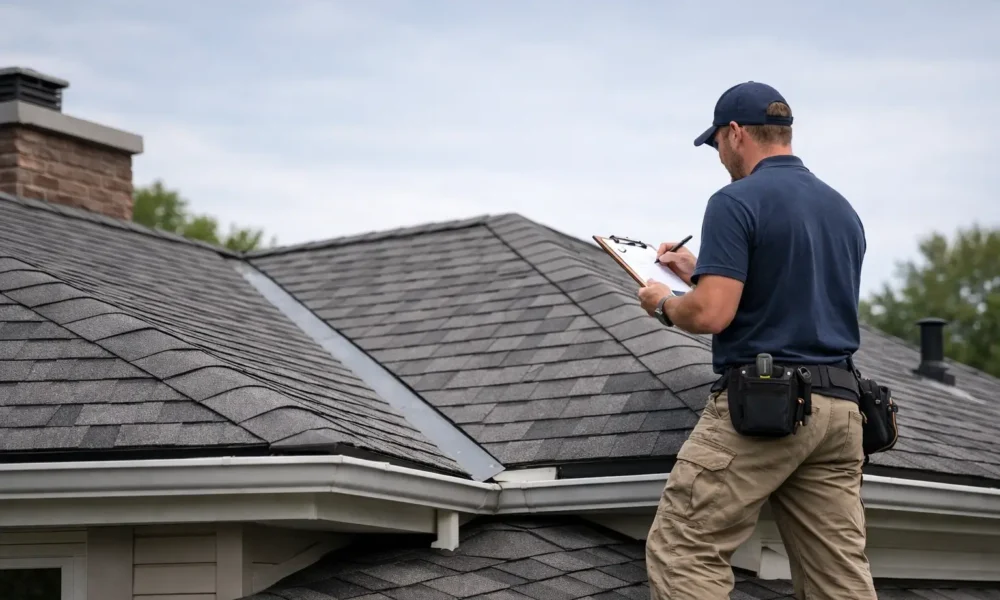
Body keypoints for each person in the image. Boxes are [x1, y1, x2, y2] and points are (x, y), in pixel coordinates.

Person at [637, 82, 876, 600]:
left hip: (768, 408)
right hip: (840, 413)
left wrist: (662, 300)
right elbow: (787, 295)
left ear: (736, 133)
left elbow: (712, 313)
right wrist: (701, 271)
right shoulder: (842, 211)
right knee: (838, 578)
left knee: (684, 549)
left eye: (718, 144)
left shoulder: (735, 200)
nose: (720, 156)